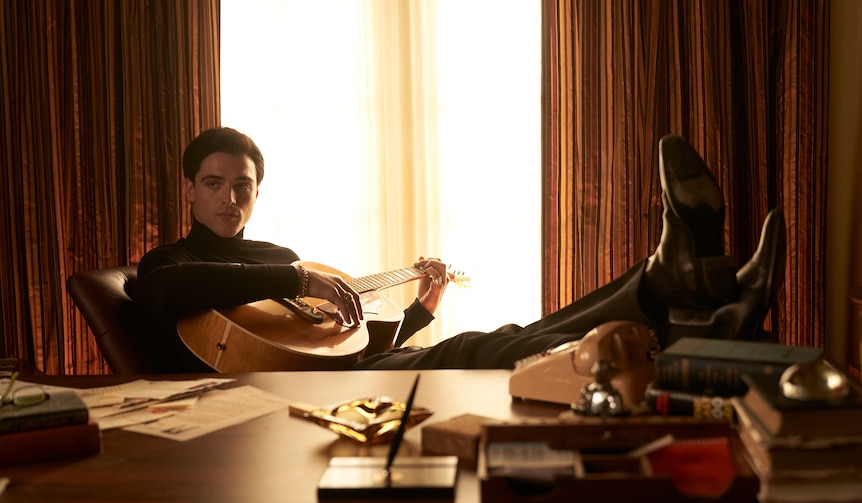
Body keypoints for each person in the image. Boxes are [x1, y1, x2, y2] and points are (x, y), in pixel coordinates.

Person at [138, 127, 785, 373]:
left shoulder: (277, 253)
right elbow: (167, 293)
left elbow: (333, 351)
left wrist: (420, 311)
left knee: (491, 340)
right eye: (214, 184)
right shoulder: (168, 264)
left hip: (338, 382)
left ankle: (679, 291)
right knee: (491, 348)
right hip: (278, 399)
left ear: (258, 192)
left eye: (242, 186)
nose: (229, 199)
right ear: (189, 189)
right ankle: (670, 285)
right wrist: (299, 275)